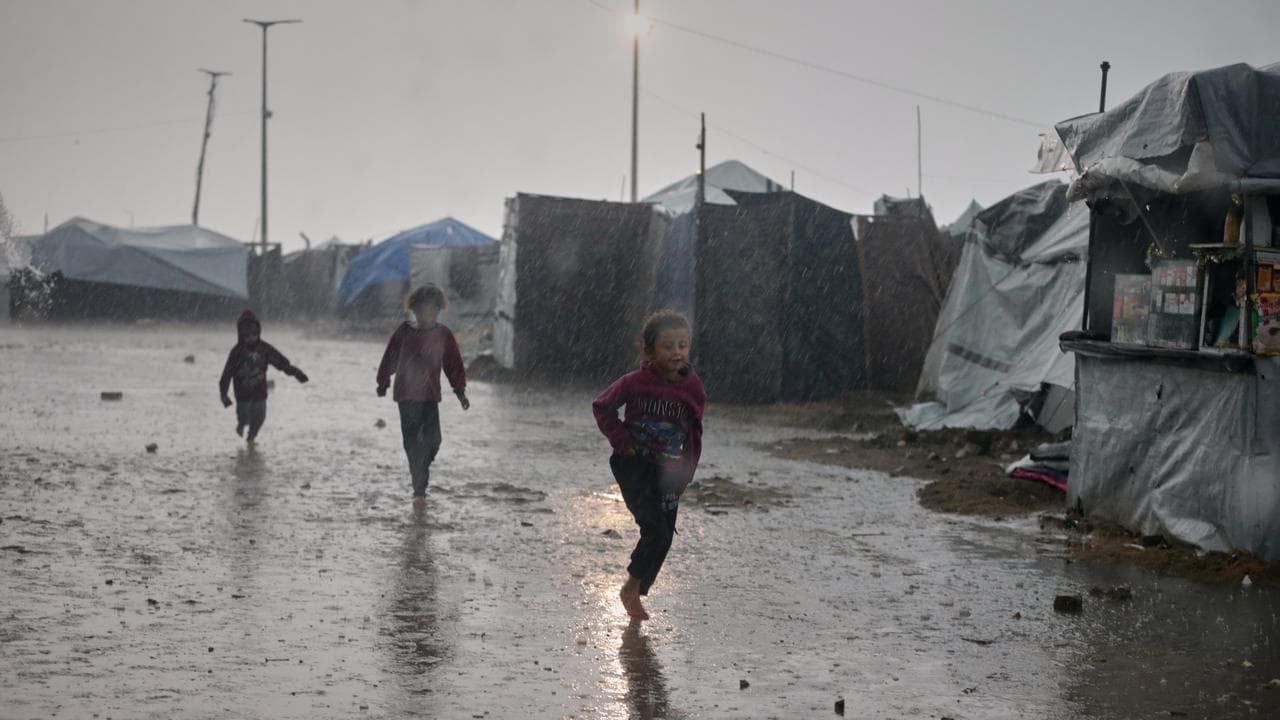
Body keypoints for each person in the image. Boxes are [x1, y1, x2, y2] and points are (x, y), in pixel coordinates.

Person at [592, 309, 705, 620]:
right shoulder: (634, 383)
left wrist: (687, 468)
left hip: (669, 471)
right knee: (654, 529)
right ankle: (631, 589)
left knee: (665, 536)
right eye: (668, 346)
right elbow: (602, 407)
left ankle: (635, 586)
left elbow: (694, 430)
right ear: (649, 350)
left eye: (683, 345)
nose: (677, 352)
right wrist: (623, 442)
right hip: (635, 466)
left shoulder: (692, 387)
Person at [376, 284, 470, 505]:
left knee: (434, 441)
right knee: (412, 442)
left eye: (432, 309)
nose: (427, 314)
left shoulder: (443, 335)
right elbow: (389, 357)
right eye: (422, 309)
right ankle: (419, 489)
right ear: (415, 309)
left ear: (438, 310)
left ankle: (421, 471)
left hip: (429, 396)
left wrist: (460, 393)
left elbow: (453, 365)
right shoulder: (404, 332)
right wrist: (383, 382)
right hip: (406, 396)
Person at [218, 309, 309, 445]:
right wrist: (224, 395)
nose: (250, 337)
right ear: (241, 334)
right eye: (246, 334)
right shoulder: (237, 352)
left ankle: (251, 438)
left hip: (260, 391)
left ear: (258, 332)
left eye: (254, 333)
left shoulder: (264, 349)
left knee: (260, 417)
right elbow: (226, 374)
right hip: (242, 394)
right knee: (244, 416)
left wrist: (297, 373)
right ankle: (241, 424)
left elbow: (281, 363)